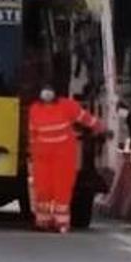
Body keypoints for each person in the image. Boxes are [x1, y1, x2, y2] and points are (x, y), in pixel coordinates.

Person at [28, 86, 105, 233]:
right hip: (43, 156)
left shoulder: (66, 106)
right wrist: (32, 153)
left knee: (61, 188)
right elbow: (32, 133)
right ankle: (43, 220)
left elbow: (85, 118)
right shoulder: (35, 109)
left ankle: (60, 222)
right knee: (43, 189)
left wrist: (99, 127)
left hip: (62, 155)